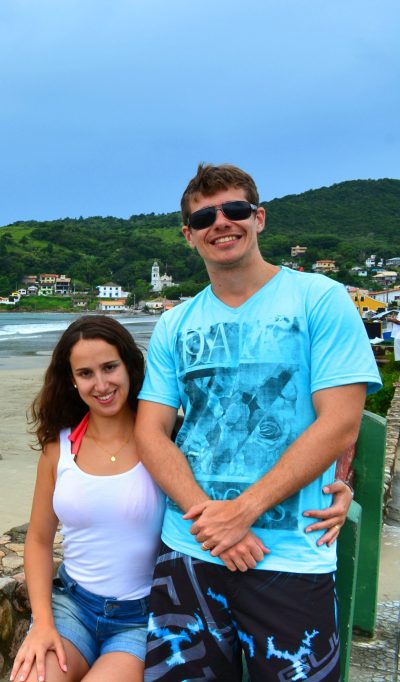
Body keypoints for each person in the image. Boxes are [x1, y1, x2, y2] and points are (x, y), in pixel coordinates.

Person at [135, 163, 381, 681]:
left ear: (259, 218)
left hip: (290, 556)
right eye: (204, 216)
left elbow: (339, 423)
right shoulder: (176, 324)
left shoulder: (320, 299)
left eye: (236, 209)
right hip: (192, 549)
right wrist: (211, 518)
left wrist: (243, 512)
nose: (221, 222)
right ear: (189, 234)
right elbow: (149, 431)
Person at [9, 316, 351, 682]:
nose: (101, 384)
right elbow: (40, 539)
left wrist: (338, 487)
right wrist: (42, 623)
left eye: (110, 367)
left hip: (142, 617)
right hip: (71, 607)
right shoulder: (58, 447)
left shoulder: (172, 442)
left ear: (130, 366)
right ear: (72, 380)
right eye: (86, 373)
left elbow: (252, 466)